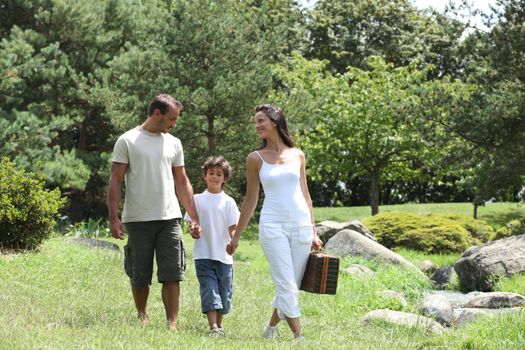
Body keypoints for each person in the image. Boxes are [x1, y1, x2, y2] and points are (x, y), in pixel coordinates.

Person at [226, 104, 322, 341]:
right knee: (286, 283)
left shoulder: (298, 155)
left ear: (275, 121)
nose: (257, 126)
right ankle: (300, 338)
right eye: (256, 122)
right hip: (272, 227)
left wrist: (313, 231)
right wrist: (236, 235)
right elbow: (250, 199)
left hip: (300, 226)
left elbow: (305, 194)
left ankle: (270, 329)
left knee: (291, 284)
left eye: (261, 121)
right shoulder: (255, 159)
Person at [107, 94, 200, 330]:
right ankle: (142, 314)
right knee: (140, 274)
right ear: (156, 114)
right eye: (172, 118)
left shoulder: (174, 143)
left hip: (169, 218)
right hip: (138, 218)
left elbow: (182, 181)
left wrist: (194, 216)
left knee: (173, 273)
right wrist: (114, 218)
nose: (174, 124)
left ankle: (172, 324)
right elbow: (115, 180)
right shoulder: (128, 140)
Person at [184, 156, 240, 336]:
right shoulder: (197, 199)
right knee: (209, 289)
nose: (214, 177)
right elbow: (191, 225)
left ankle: (219, 326)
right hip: (203, 255)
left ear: (225, 178)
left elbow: (233, 228)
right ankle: (213, 327)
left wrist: (233, 241)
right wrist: (194, 230)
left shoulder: (229, 202)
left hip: (224, 256)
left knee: (224, 293)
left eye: (219, 174)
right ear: (204, 176)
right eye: (211, 173)